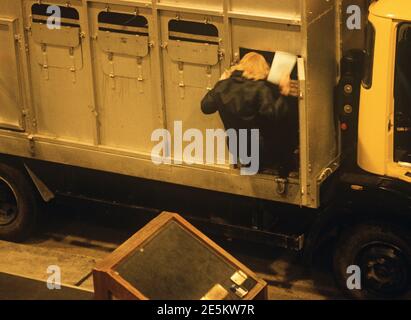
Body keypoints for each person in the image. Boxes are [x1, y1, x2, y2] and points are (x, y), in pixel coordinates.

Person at [201, 52, 299, 178]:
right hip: (261, 150)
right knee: (287, 133)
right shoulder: (260, 88)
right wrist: (284, 91)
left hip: (236, 147)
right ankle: (284, 168)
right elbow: (276, 115)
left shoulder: (222, 86)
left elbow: (206, 107)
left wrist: (219, 82)